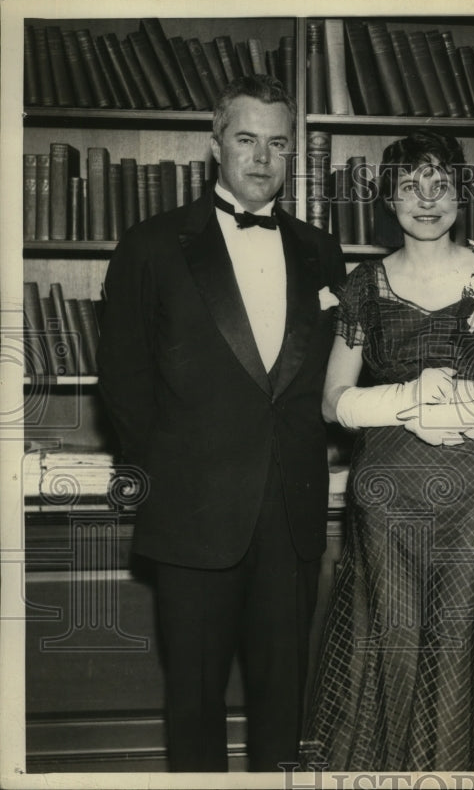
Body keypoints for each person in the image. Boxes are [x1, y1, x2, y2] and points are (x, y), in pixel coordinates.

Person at [97, 75, 345, 771]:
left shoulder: (321, 250)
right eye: (246, 139)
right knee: (195, 703)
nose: (262, 157)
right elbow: (122, 379)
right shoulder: (153, 243)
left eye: (277, 143)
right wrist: (176, 471)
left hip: (291, 513)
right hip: (192, 512)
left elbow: (326, 376)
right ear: (215, 144)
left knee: (283, 702)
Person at [300, 129, 474, 771]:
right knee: (396, 635)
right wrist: (408, 399)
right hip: (386, 491)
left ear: (462, 193)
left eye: (441, 184)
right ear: (388, 198)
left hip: (472, 487)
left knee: (464, 632)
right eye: (410, 185)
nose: (427, 199)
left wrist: (465, 411)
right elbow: (333, 400)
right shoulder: (364, 285)